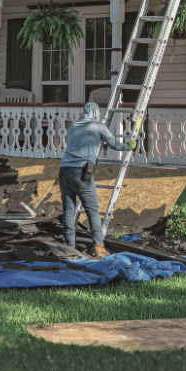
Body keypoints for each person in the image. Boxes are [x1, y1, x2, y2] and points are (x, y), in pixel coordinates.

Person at [58, 101, 136, 256]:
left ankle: (70, 248)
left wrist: (100, 127)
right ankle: (99, 248)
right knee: (92, 211)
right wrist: (128, 146)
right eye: (98, 114)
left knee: (68, 210)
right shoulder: (99, 127)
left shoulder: (73, 126)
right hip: (80, 172)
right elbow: (113, 144)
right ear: (95, 113)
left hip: (63, 170)